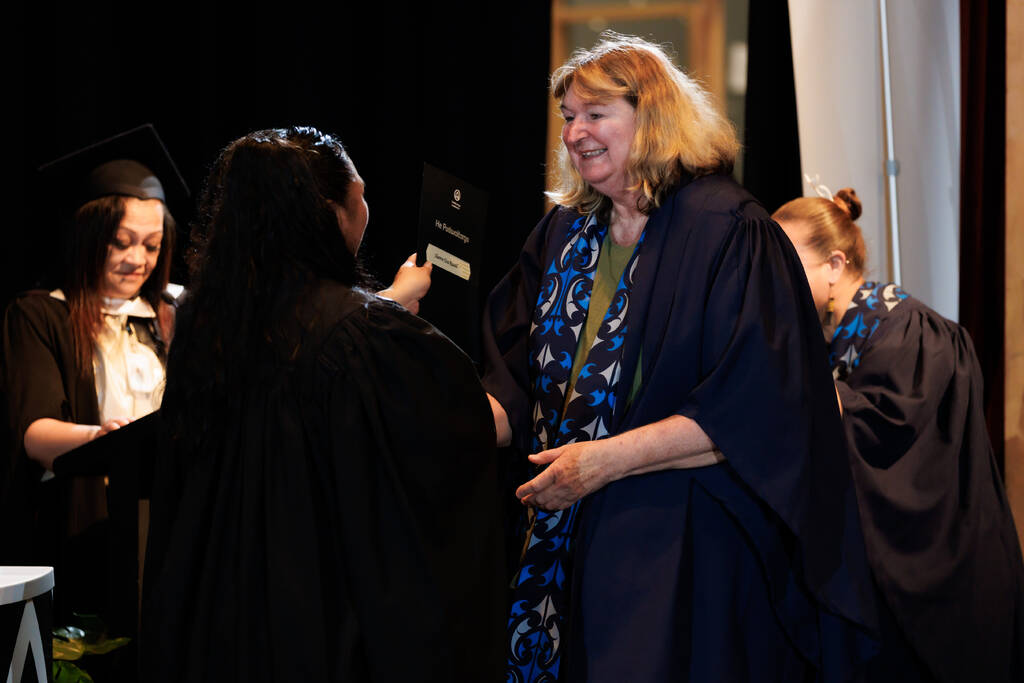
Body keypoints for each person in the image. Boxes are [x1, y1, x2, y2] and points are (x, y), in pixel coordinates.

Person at [483, 34, 877, 682]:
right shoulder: (563, 233)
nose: (575, 132)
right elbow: (516, 375)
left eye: (595, 113)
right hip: (566, 541)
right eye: (568, 117)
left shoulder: (728, 229)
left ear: (654, 115)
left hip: (683, 549)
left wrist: (600, 462)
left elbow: (755, 408)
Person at [142, 126, 505, 681]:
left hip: (216, 618)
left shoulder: (204, 322)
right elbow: (477, 428)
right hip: (314, 621)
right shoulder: (363, 336)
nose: (366, 208)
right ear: (330, 213)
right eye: (358, 195)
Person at [773, 188, 1024, 683]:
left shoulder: (909, 331)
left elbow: (891, 445)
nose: (775, 280)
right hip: (886, 593)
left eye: (787, 261)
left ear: (835, 265)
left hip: (945, 590)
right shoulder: (832, 346)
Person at [0, 125, 188, 624]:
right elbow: (36, 433)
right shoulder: (41, 315)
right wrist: (102, 437)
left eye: (151, 245)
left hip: (169, 528)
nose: (137, 260)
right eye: (120, 242)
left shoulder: (175, 313)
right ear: (87, 238)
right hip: (83, 530)